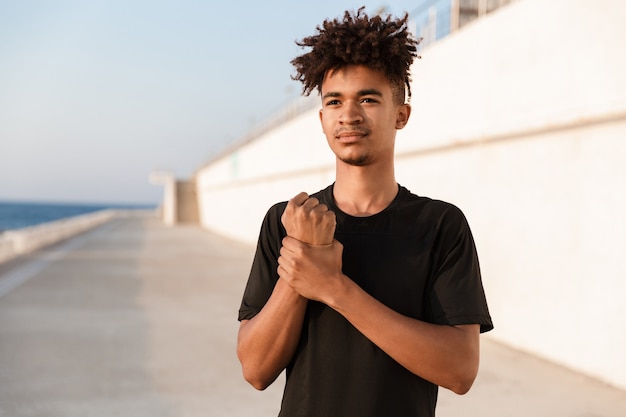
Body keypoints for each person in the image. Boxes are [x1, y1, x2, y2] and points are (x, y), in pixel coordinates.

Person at [236, 7, 493, 417]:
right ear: (322, 119)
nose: (349, 115)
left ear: (401, 115)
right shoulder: (287, 222)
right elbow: (255, 368)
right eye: (334, 101)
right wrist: (300, 262)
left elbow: (461, 370)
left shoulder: (441, 226)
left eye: (368, 99)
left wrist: (334, 288)